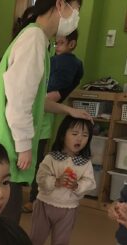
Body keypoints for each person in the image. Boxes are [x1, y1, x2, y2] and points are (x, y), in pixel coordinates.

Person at [0, 0, 90, 225]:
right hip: (3, 145)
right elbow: (19, 101)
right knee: (2, 223)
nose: (76, 17)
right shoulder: (34, 39)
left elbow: (33, 98)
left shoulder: (36, 38)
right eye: (76, 10)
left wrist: (68, 110)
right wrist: (24, 146)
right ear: (60, 4)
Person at [24, 28, 85, 213]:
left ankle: (34, 199)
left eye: (61, 43)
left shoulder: (67, 63)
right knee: (35, 161)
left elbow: (53, 96)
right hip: (35, 119)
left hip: (40, 121)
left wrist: (36, 99)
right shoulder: (54, 61)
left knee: (38, 162)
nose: (57, 46)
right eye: (55, 43)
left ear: (72, 44)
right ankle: (33, 198)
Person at [29, 116, 95, 245]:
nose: (79, 139)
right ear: (62, 135)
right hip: (44, 204)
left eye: (85, 135)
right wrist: (56, 181)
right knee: (36, 237)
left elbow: (90, 182)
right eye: (74, 133)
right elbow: (40, 177)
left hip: (68, 209)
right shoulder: (51, 158)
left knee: (61, 240)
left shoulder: (85, 163)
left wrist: (77, 186)